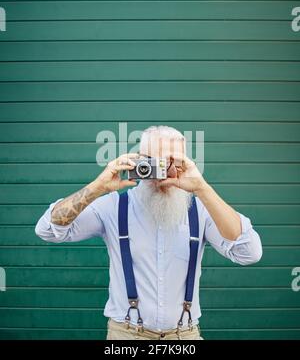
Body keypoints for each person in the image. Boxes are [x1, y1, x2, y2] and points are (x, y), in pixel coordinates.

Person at [35, 125, 263, 340]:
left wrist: (202, 188)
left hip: (184, 336)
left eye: (173, 162)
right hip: (126, 335)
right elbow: (48, 229)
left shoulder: (200, 209)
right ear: (140, 161)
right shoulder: (114, 206)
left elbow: (248, 252)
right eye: (155, 162)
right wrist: (99, 186)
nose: (164, 171)